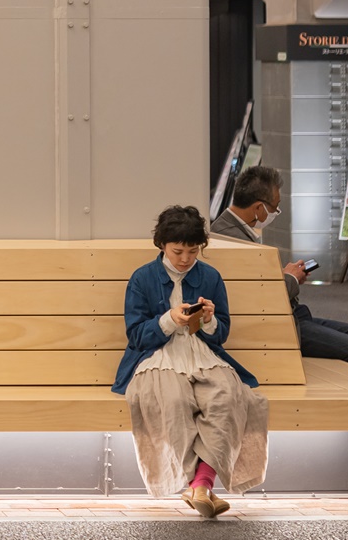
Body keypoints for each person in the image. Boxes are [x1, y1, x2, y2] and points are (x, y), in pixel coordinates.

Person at [115, 204, 269, 519]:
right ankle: (201, 485)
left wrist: (210, 321)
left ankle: (199, 487)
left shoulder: (210, 276)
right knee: (172, 401)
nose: (185, 258)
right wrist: (169, 320)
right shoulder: (142, 278)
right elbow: (136, 336)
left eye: (193, 251)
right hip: (157, 356)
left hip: (204, 355)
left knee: (229, 397)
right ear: (162, 245)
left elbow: (222, 333)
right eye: (178, 251)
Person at [213, 165, 348, 369]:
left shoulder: (231, 229)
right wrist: (290, 279)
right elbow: (256, 298)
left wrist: (284, 274)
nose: (276, 213)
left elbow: (253, 282)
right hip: (277, 324)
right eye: (275, 208)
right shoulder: (232, 240)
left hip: (290, 314)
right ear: (258, 208)